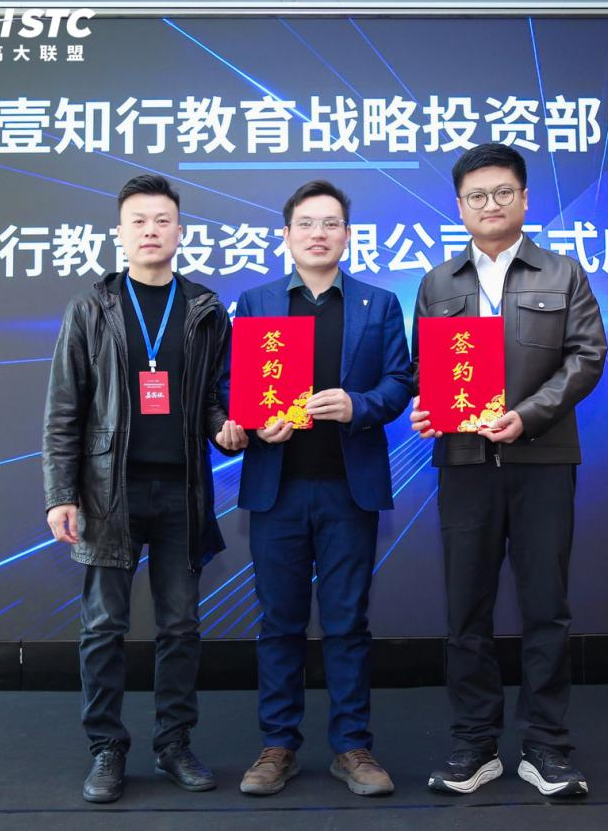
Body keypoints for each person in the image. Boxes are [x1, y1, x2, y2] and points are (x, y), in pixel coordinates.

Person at [42, 174, 249, 803]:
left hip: (181, 491)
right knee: (103, 626)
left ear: (180, 231)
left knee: (180, 626)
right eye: (139, 221)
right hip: (109, 492)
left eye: (162, 220)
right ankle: (106, 747)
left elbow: (213, 399)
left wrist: (227, 430)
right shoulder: (90, 308)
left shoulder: (205, 309)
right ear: (120, 232)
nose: (151, 231)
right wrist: (60, 493)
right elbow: (64, 409)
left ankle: (174, 744)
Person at [409, 144, 607, 798]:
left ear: (524, 199)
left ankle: (547, 746)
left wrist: (527, 416)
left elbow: (586, 357)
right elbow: (425, 368)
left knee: (546, 607)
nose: (488, 205)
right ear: (459, 206)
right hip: (464, 463)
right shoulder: (438, 283)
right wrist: (425, 408)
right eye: (476, 196)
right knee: (465, 608)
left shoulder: (563, 272)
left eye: (501, 193)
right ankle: (474, 743)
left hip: (541, 459)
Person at [229, 180, 412, 797]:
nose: (318, 233)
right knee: (279, 624)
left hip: (347, 489)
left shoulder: (378, 303)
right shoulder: (255, 303)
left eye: (331, 223)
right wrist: (256, 421)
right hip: (276, 489)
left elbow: (400, 381)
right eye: (306, 223)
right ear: (286, 236)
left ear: (348, 236)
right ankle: (277, 746)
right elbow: (231, 384)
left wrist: (359, 405)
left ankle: (352, 747)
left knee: (346, 623)